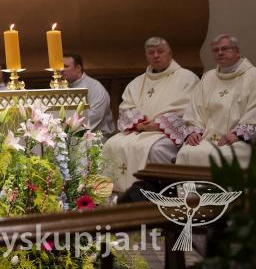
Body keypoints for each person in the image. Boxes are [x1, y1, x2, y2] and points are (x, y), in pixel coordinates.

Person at [102, 37, 198, 194]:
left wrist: (159, 124)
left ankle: (160, 194)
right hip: (139, 130)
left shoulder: (187, 78)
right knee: (111, 144)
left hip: (167, 133)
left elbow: (188, 109)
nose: (156, 56)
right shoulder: (138, 82)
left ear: (170, 53)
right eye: (151, 52)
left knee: (156, 149)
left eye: (160, 51)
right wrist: (139, 124)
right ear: (146, 56)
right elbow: (126, 107)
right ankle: (118, 195)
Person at [176, 34, 255, 168]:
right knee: (186, 152)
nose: (220, 53)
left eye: (225, 49)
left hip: (238, 141)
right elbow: (195, 109)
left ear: (237, 51)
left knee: (225, 156)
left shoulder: (253, 76)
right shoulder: (208, 77)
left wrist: (238, 134)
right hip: (205, 138)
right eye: (215, 50)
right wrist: (194, 131)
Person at [63, 52, 116, 136]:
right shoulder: (63, 87)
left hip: (97, 135)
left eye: (66, 66)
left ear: (78, 68)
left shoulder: (95, 87)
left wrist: (69, 131)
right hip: (70, 134)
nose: (62, 70)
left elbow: (95, 116)